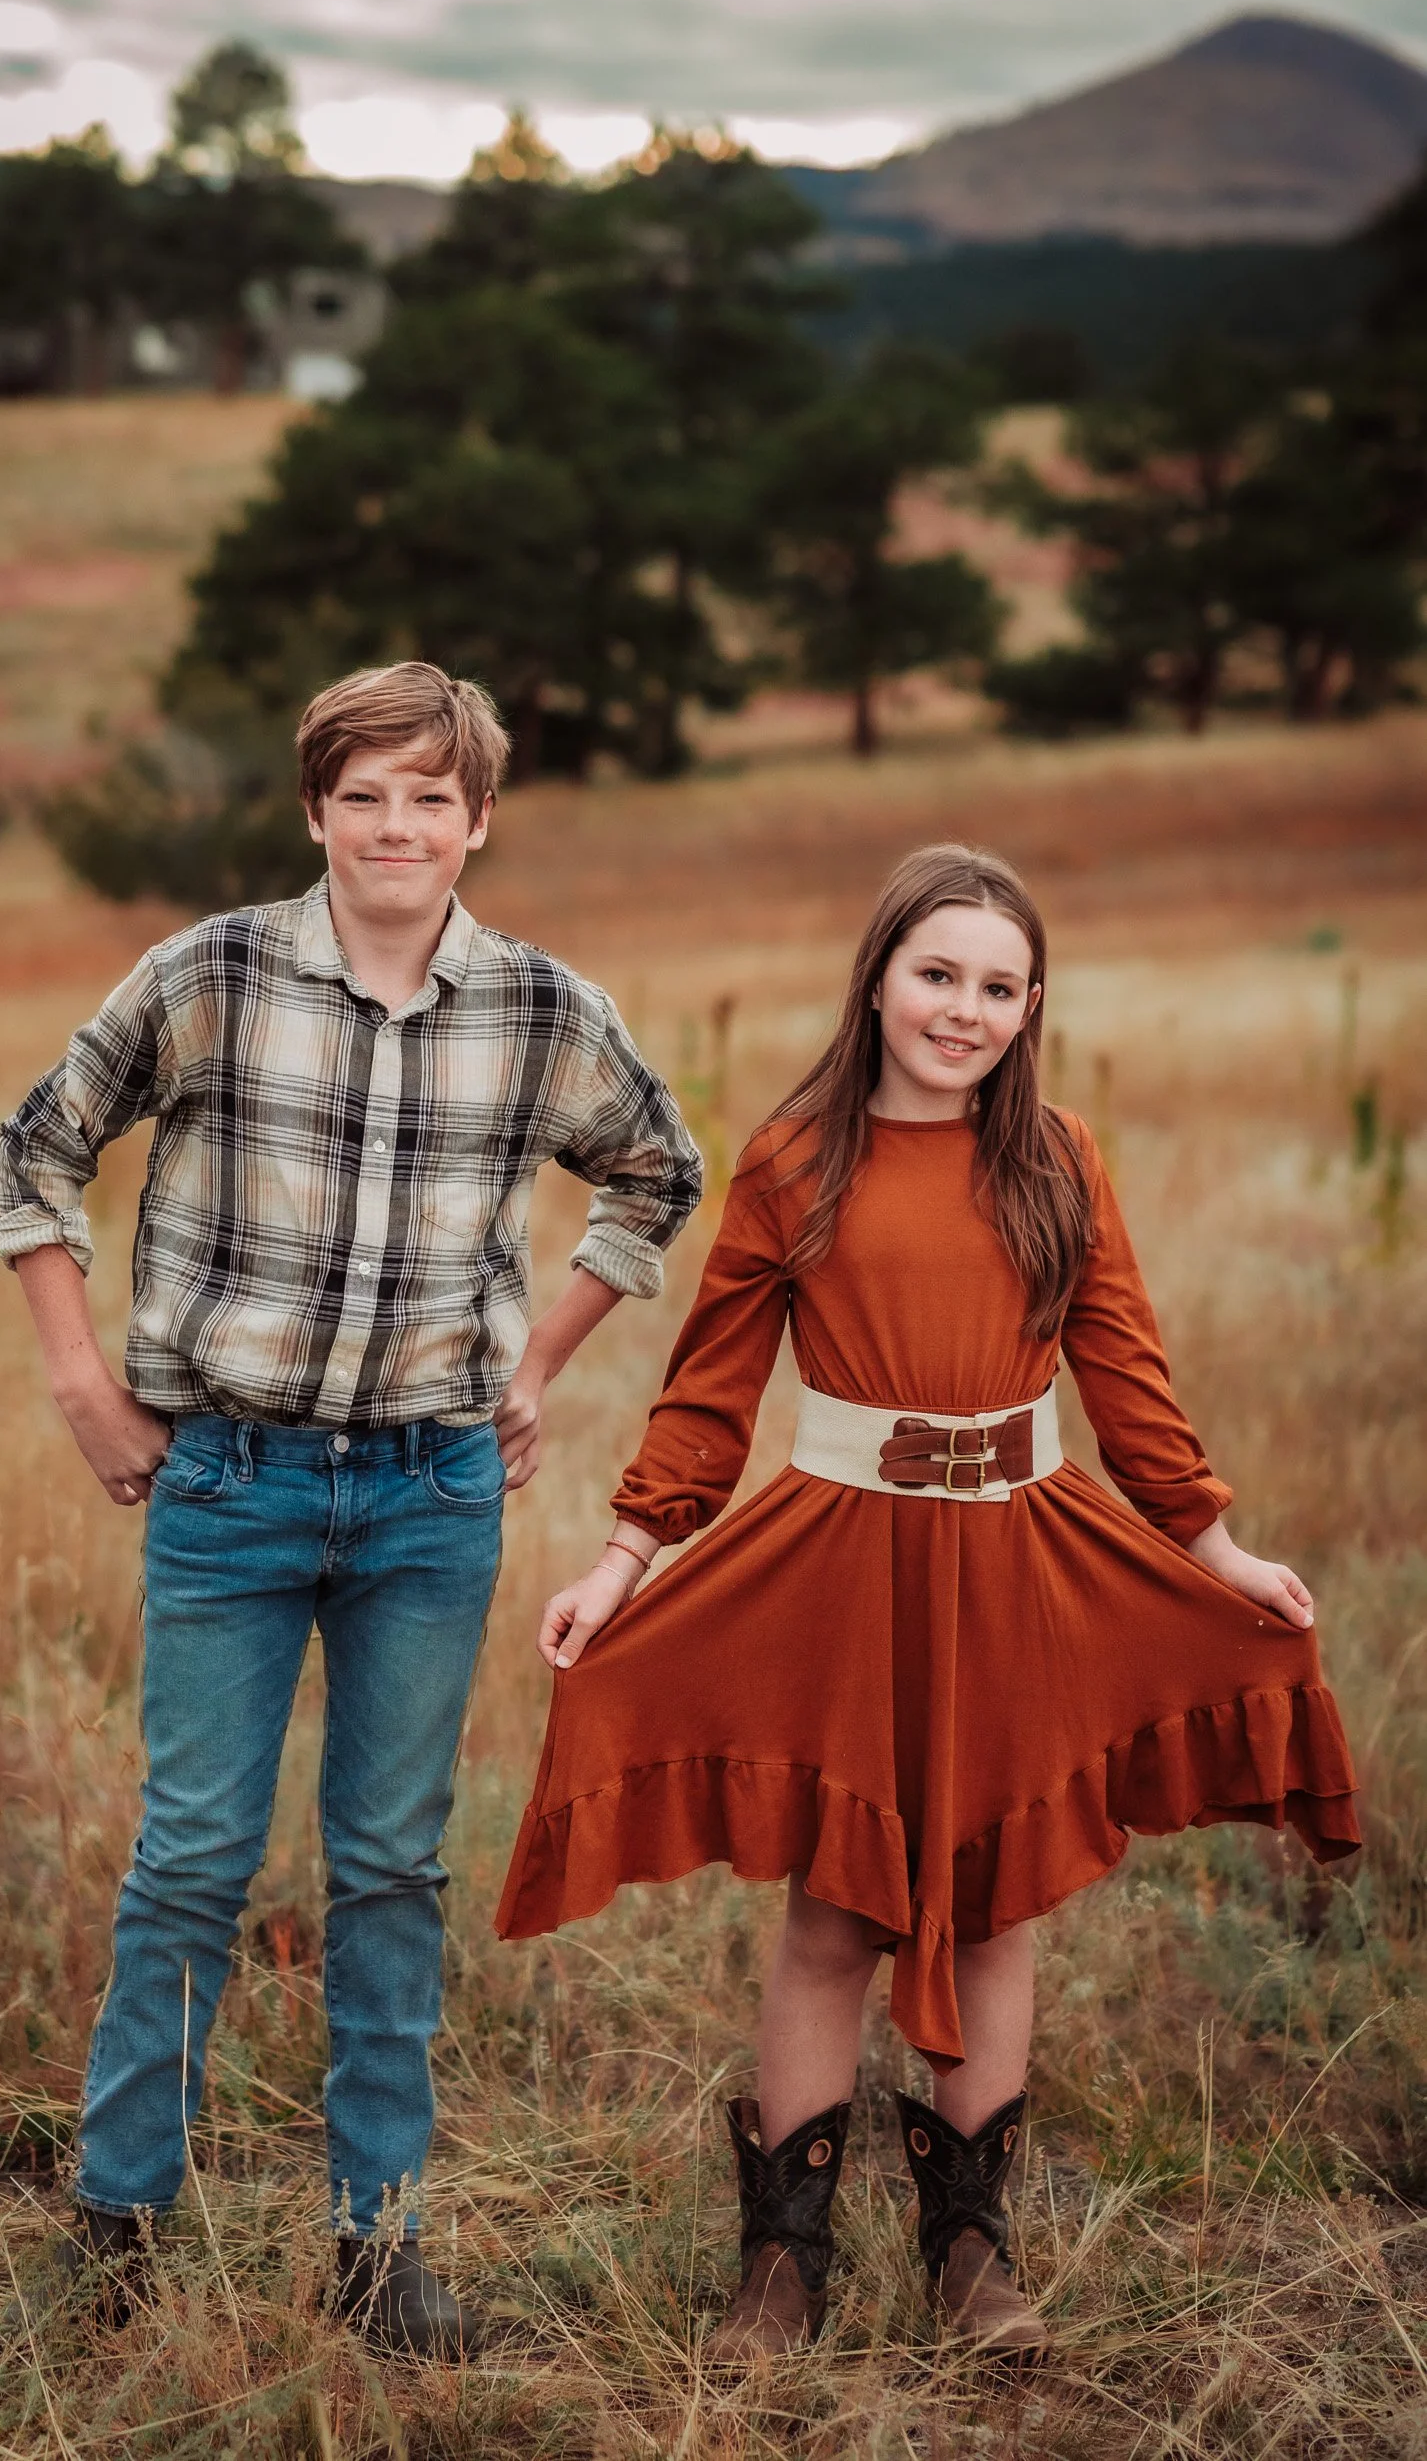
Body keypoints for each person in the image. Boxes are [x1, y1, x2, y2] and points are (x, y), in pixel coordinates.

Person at [497, 842, 1358, 2365]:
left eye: (997, 987)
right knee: (834, 1912)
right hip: (845, 1564)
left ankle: (968, 2248)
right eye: (936, 974)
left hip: (1018, 1559)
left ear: (1032, 1011)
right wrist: (626, 1558)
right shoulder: (793, 1159)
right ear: (879, 976)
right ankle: (784, 2262)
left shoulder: (1055, 1160)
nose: (961, 1009)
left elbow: (1125, 1376)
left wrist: (1213, 1552)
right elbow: (707, 1397)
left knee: (995, 1902)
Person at [0, 662, 702, 2356]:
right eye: (367, 796)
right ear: (315, 809)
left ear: (478, 821)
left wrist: (533, 1359)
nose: (400, 827)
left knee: (389, 1865)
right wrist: (85, 1381)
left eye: (432, 800)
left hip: (428, 1491)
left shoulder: (537, 1010)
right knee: (192, 1856)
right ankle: (118, 2223)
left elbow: (657, 1171)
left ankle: (379, 2248)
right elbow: (37, 1149)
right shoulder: (214, 973)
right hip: (226, 1479)